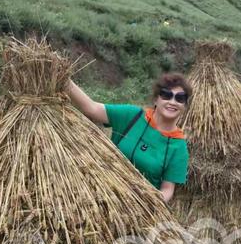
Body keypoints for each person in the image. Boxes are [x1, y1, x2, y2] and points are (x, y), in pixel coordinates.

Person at [67, 73, 191, 203]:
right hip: (100, 194)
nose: (172, 102)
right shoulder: (132, 116)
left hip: (137, 208)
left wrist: (151, 199)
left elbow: (167, 189)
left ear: (185, 106)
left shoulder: (179, 147)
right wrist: (64, 78)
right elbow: (92, 108)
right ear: (156, 99)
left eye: (180, 98)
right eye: (166, 95)